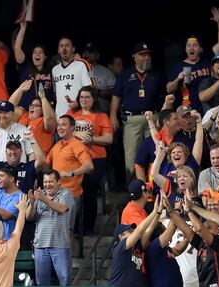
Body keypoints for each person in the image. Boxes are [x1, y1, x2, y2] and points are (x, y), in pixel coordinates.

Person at [111, 42, 164, 180]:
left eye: (147, 55)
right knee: (131, 154)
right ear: (134, 56)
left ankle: (153, 185)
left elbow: (163, 96)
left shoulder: (155, 75)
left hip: (153, 117)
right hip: (132, 119)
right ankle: (134, 188)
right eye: (142, 55)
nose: (146, 58)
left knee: (154, 151)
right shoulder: (125, 75)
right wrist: (112, 116)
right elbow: (116, 96)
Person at [166, 197, 219, 287]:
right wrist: (170, 210)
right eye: (205, 227)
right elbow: (184, 228)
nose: (206, 230)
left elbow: (199, 229)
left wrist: (188, 210)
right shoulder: (200, 243)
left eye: (209, 228)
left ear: (218, 231)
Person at [68, 86, 113, 233]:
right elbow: (62, 129)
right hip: (73, 158)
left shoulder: (101, 116)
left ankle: (88, 228)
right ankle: (72, 228)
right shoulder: (71, 114)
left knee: (89, 193)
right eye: (81, 97)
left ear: (94, 99)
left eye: (87, 97)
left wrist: (92, 140)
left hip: (95, 158)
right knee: (72, 194)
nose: (84, 100)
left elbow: (108, 138)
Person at [26, 170, 74, 287]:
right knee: (42, 282)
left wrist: (44, 199)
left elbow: (62, 208)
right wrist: (31, 203)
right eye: (45, 182)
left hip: (60, 245)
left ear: (59, 182)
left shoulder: (66, 193)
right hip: (40, 245)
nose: (47, 184)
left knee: (65, 280)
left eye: (51, 181)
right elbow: (29, 217)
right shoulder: (39, 196)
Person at [166, 9, 219, 111]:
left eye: (195, 45)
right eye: (188, 46)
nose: (191, 48)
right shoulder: (179, 67)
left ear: (200, 49)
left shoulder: (207, 59)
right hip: (190, 110)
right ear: (185, 49)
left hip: (210, 108)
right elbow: (169, 89)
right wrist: (178, 79)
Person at [46, 115, 93, 227]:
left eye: (64, 125)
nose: (60, 128)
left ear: (72, 128)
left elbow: (89, 166)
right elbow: (45, 165)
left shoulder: (77, 145)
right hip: (54, 194)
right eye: (59, 125)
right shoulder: (57, 145)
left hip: (71, 194)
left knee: (67, 229)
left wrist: (72, 173)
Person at [107, 200, 161, 287]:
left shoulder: (136, 247)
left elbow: (149, 230)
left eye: (133, 230)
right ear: (121, 236)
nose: (133, 232)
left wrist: (158, 212)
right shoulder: (120, 246)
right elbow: (140, 231)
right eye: (130, 231)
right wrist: (153, 212)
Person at [141, 198, 184, 287]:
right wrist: (176, 210)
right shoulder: (153, 248)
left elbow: (177, 250)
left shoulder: (163, 250)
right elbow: (172, 229)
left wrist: (190, 237)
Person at [12, 21, 54, 108]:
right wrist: (23, 28)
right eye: (34, 52)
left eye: (40, 52)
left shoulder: (52, 71)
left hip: (45, 111)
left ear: (45, 56)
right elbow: (17, 48)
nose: (37, 54)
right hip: (25, 111)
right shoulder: (25, 67)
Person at [51, 37, 92, 117]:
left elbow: (90, 89)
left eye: (67, 45)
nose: (64, 48)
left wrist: (79, 102)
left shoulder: (81, 65)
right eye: (61, 46)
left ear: (73, 49)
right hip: (60, 115)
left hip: (79, 113)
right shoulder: (54, 69)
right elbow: (56, 93)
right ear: (58, 50)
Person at [0, 165, 24, 240]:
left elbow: (5, 215)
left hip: (7, 240)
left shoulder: (20, 197)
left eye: (1, 176)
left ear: (11, 178)